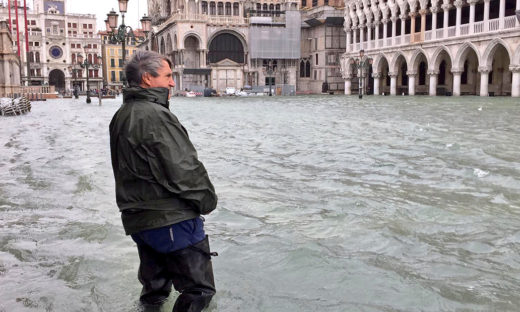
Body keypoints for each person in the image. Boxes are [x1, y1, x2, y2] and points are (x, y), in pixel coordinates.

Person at [109, 50, 218, 311]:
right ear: (148, 79)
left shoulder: (122, 114)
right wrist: (207, 201)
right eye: (168, 76)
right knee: (199, 289)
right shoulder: (155, 115)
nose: (172, 82)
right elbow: (183, 170)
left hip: (140, 220)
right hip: (170, 220)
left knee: (155, 290)